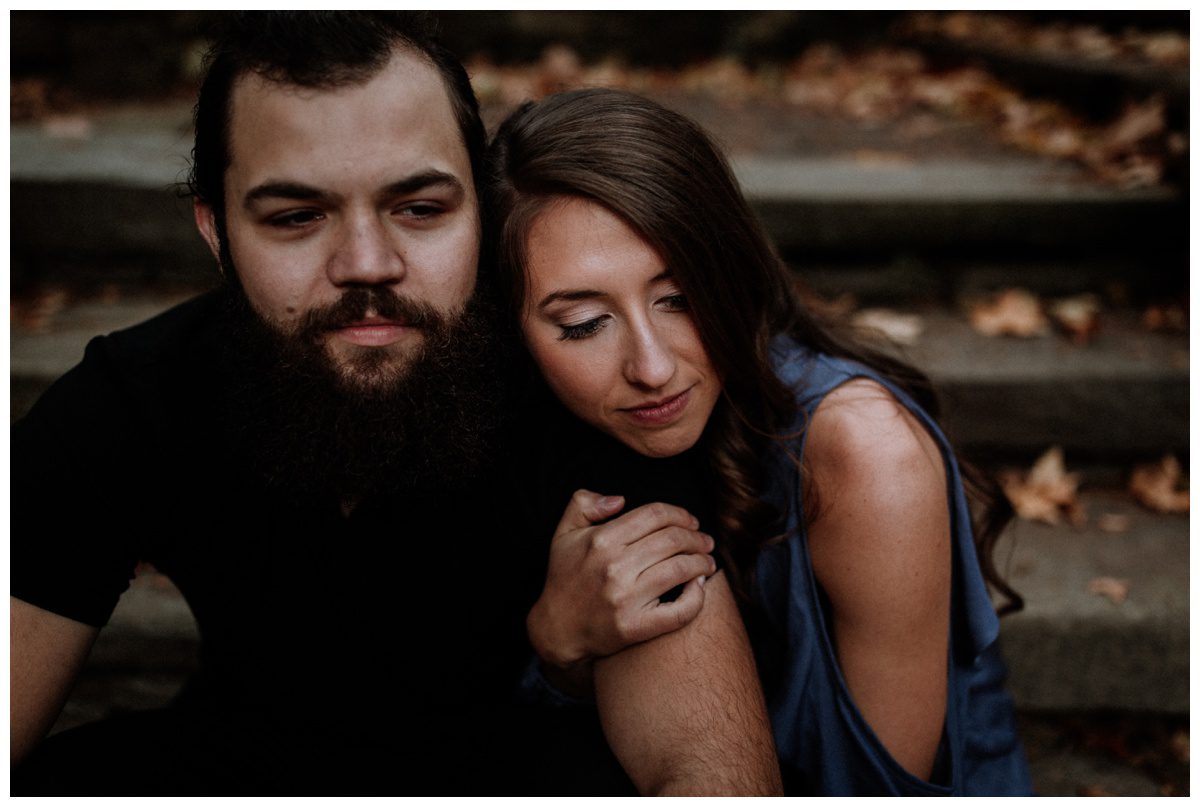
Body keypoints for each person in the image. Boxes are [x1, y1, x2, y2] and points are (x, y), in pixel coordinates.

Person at [10, 14, 776, 795]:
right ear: (216, 231)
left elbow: (711, 774)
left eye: (420, 209)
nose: (367, 265)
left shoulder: (577, 381)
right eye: (296, 218)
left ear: (481, 205)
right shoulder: (132, 402)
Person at [486, 87, 1035, 795]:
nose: (651, 367)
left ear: (729, 272)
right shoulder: (525, 429)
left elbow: (876, 791)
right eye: (585, 323)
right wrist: (561, 646)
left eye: (680, 297)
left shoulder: (868, 456)